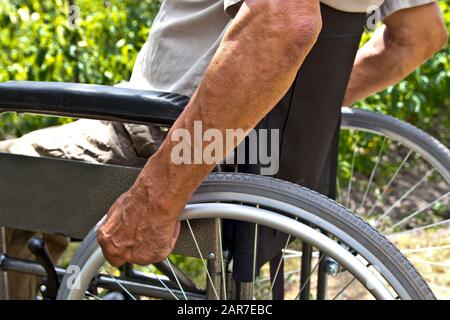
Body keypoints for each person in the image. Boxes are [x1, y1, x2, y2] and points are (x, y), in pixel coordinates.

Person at [0, 0, 446, 299]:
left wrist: (158, 196)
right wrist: (284, 103)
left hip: (163, 136)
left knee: (9, 175)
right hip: (262, 156)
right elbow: (419, 36)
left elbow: (285, 21)